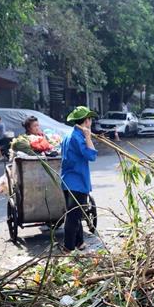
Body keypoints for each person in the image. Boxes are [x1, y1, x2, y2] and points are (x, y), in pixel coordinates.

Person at [60, 106, 98, 253]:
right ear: (86, 121)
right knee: (73, 215)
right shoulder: (78, 138)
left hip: (67, 181)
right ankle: (68, 247)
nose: (91, 122)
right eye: (90, 119)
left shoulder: (68, 135)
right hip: (77, 181)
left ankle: (80, 242)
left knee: (75, 213)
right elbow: (91, 156)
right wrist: (88, 137)